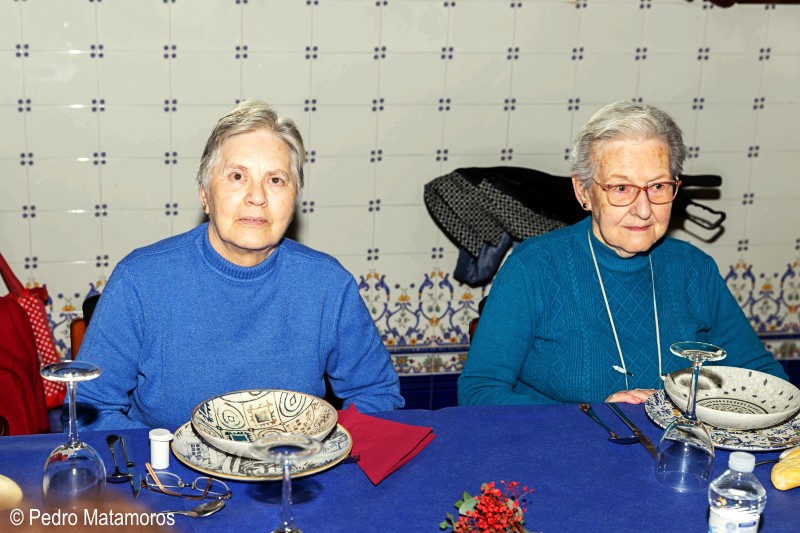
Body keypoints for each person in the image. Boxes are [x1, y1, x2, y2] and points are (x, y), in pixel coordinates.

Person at [74, 99, 404, 431]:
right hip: (175, 480)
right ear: (205, 193)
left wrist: (322, 453)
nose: (257, 196)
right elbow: (90, 410)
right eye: (237, 176)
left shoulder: (329, 285)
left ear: (295, 198)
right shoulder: (139, 281)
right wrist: (173, 457)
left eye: (276, 180)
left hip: (291, 473)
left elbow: (377, 395)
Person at [458, 101, 789, 406]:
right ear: (583, 191)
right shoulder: (533, 268)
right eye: (621, 188)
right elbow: (479, 393)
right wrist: (591, 416)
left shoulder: (694, 269)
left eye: (658, 186)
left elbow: (762, 377)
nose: (644, 210)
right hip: (565, 457)